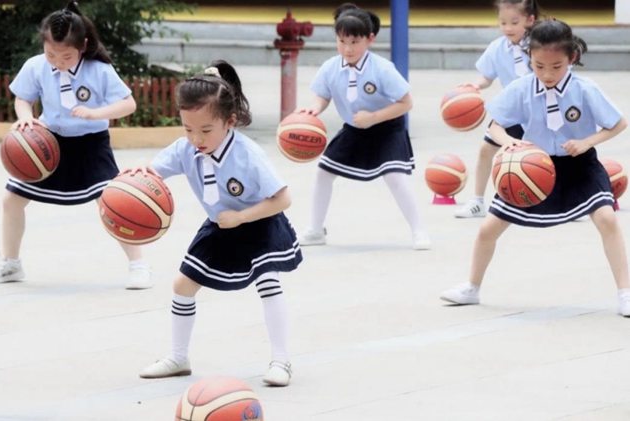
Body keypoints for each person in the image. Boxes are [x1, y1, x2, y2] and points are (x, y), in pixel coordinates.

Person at [440, 19, 630, 317]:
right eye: (539, 66)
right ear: (530, 58)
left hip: (580, 165)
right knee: (488, 228)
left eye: (556, 66)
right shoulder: (521, 88)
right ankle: (472, 287)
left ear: (572, 58)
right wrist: (508, 144)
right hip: (532, 168)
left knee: (607, 219)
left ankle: (625, 293)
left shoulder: (585, 89)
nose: (547, 74)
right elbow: (495, 126)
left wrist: (586, 141)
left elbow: (618, 123)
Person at [137, 60, 303, 386]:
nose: (196, 138)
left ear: (229, 121)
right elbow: (152, 172)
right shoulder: (186, 149)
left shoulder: (248, 154)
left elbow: (282, 199)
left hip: (260, 222)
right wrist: (131, 181)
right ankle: (178, 357)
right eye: (187, 129)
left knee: (268, 283)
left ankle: (281, 362)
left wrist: (242, 216)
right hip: (219, 225)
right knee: (183, 286)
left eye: (205, 130)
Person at [0, 1, 151, 289]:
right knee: (12, 200)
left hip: (91, 145)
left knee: (113, 204)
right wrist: (26, 120)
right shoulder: (36, 66)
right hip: (48, 145)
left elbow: (128, 104)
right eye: (51, 54)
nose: (58, 61)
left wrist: (96, 113)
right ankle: (11, 264)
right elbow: (23, 98)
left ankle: (139, 266)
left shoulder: (100, 70)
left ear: (83, 46)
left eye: (67, 56)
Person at [297, 3, 430, 249]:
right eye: (341, 41)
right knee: (323, 171)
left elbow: (406, 103)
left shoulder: (382, 68)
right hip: (355, 130)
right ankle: (315, 230)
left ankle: (419, 231)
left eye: (354, 42)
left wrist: (375, 117)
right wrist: (315, 108)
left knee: (395, 177)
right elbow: (322, 95)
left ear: (370, 39)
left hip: (388, 128)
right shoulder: (330, 67)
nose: (347, 49)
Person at [454, 0, 538, 218]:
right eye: (503, 22)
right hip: (510, 110)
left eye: (514, 22)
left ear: (530, 20)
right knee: (485, 150)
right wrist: (476, 85)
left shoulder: (541, 45)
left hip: (540, 109)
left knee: (553, 156)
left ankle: (569, 200)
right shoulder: (497, 48)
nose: (508, 28)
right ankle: (478, 201)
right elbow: (487, 76)